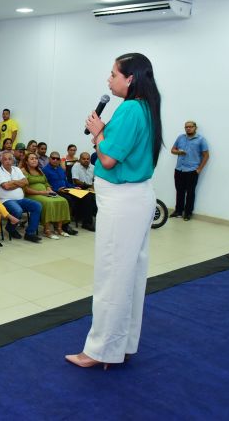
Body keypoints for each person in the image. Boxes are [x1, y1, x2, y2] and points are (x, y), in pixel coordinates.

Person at [66, 52, 163, 370]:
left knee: (111, 276)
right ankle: (121, 344)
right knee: (129, 276)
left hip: (122, 203)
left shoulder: (131, 109)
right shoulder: (144, 107)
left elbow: (107, 160)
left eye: (113, 74)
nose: (108, 80)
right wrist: (104, 133)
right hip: (134, 200)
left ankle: (99, 351)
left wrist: (97, 132)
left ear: (130, 79)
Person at [0, 152, 43, 242]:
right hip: (6, 200)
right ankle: (10, 228)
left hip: (20, 199)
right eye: (5, 159)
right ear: (1, 160)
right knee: (18, 210)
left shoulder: (17, 169)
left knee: (37, 205)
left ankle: (30, 233)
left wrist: (12, 181)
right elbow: (6, 187)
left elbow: (26, 182)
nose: (8, 161)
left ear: (13, 160)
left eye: (10, 159)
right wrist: (19, 183)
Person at [21, 152, 71, 239]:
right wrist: (41, 193)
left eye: (36, 158)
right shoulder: (23, 171)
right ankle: (47, 230)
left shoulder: (39, 170)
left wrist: (50, 190)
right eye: (32, 159)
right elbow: (26, 189)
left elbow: (46, 183)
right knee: (48, 202)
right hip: (32, 194)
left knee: (62, 200)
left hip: (45, 192)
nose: (34, 160)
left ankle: (59, 228)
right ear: (26, 161)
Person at [43, 151, 91, 234]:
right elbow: (45, 185)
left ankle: (86, 223)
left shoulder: (60, 169)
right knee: (69, 200)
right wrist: (56, 190)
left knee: (86, 196)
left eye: (57, 159)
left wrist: (74, 187)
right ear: (49, 159)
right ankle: (65, 225)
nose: (55, 160)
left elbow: (66, 182)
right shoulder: (45, 170)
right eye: (53, 158)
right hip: (56, 191)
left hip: (66, 189)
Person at [171, 121, 209, 220]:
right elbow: (172, 150)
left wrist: (199, 169)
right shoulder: (180, 138)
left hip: (192, 171)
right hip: (179, 169)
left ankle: (188, 213)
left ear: (195, 128)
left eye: (190, 127)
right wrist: (179, 151)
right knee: (179, 191)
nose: (188, 128)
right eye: (186, 127)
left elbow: (206, 155)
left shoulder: (201, 140)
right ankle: (178, 211)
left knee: (190, 192)